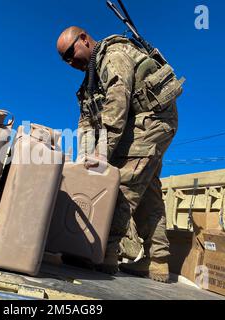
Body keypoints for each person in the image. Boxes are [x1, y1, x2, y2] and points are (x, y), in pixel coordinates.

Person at [57, 26, 182, 283]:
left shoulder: (113, 55)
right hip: (137, 126)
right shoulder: (89, 83)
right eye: (64, 59)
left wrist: (102, 152)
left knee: (122, 185)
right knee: (148, 191)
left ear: (84, 39)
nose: (69, 62)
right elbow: (86, 124)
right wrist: (83, 160)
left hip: (152, 121)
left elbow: (118, 101)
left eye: (70, 53)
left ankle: (102, 251)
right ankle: (157, 260)